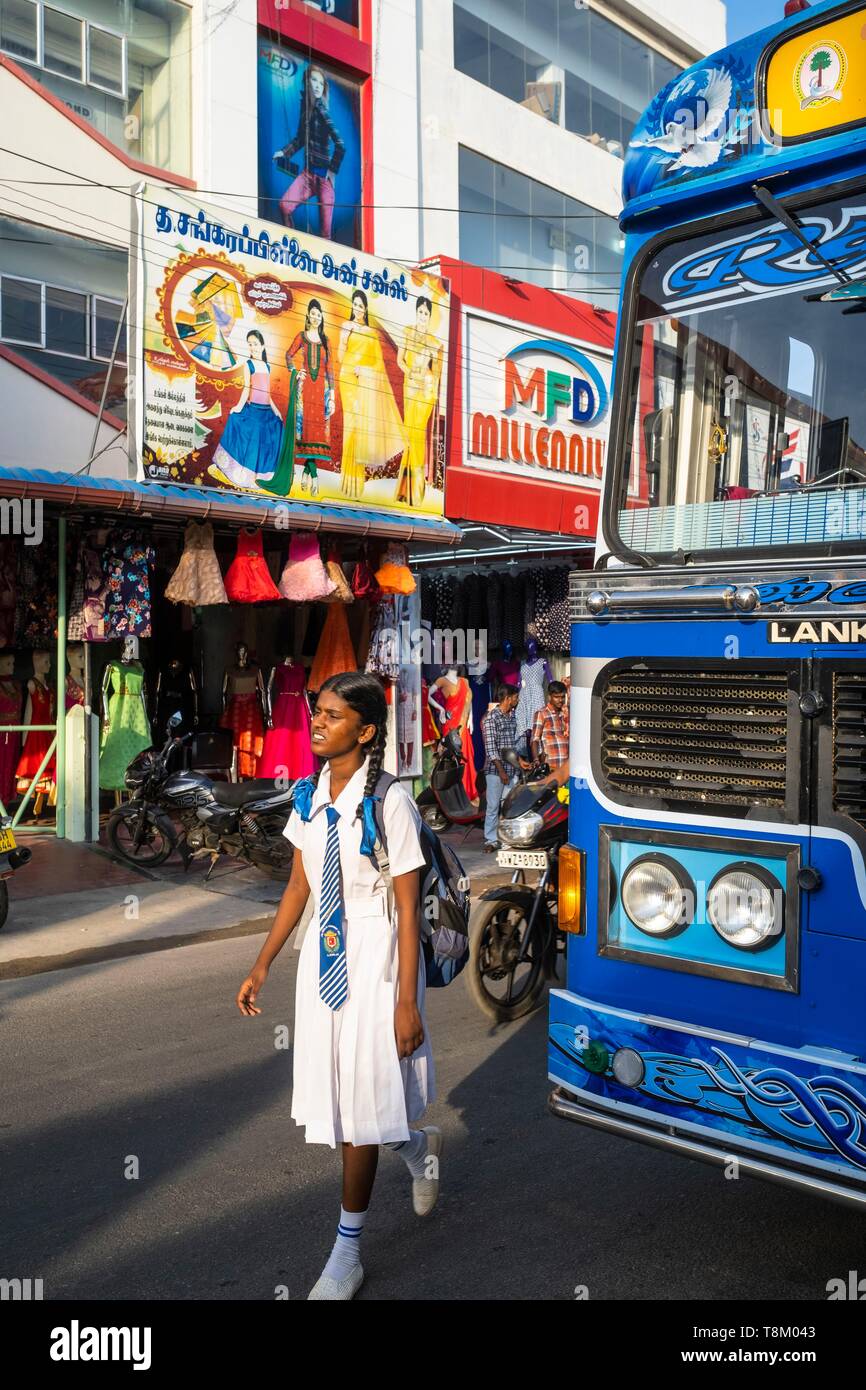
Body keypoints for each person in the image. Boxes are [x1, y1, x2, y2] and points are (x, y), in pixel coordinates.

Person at [236, 671, 442, 1301]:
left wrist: (407, 1001)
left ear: (367, 730)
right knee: (346, 1095)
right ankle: (413, 1142)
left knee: (359, 1107)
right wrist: (263, 961)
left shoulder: (391, 802)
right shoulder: (307, 795)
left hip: (378, 959)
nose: (318, 723)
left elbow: (409, 909)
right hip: (323, 960)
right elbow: (299, 886)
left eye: (331, 715)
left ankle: (346, 1252)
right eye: (316, 712)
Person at [337, 290, 406, 500]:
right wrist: (344, 339)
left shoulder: (372, 333)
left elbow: (378, 363)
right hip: (348, 380)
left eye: (360, 305)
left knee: (361, 429)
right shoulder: (345, 327)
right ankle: (346, 480)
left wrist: (365, 371)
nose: (357, 308)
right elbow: (341, 357)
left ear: (365, 308)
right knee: (351, 428)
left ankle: (358, 483)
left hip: (364, 381)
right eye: (354, 304)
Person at [264, 299, 334, 498]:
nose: (315, 317)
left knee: (317, 436)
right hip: (304, 391)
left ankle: (306, 472)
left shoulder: (326, 341)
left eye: (318, 314)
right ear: (308, 316)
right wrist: (295, 371)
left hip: (322, 392)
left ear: (322, 318)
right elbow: (288, 355)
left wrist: (333, 397)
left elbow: (330, 369)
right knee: (306, 434)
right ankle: (314, 477)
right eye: (312, 313)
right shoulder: (301, 337)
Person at [274, 64, 345, 239]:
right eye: (313, 80)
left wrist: (332, 171)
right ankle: (291, 243)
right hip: (307, 176)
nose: (317, 85)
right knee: (284, 206)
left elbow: (340, 144)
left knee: (325, 235)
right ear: (306, 82)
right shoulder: (305, 110)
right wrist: (284, 153)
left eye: (321, 83)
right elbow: (300, 138)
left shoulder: (322, 111)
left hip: (324, 181)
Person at [209, 330, 283, 489]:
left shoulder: (267, 366)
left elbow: (267, 393)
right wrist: (238, 407)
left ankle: (265, 475)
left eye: (255, 344)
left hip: (267, 412)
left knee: (274, 433)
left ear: (262, 346)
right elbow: (246, 388)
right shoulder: (248, 365)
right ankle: (242, 472)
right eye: (250, 345)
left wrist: (276, 410)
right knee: (245, 430)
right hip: (253, 410)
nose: (253, 347)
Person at [394, 296, 442, 507]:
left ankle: (416, 491)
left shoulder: (435, 343)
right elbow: (400, 360)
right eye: (420, 312)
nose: (423, 316)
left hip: (425, 392)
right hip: (410, 388)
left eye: (426, 313)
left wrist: (431, 390)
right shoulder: (407, 332)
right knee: (409, 435)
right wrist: (410, 374)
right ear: (416, 313)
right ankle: (406, 488)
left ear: (430, 317)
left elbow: (437, 373)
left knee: (418, 435)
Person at [481, 684, 520, 853]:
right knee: (493, 806)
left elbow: (513, 745)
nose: (517, 700)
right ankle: (491, 840)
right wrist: (501, 771)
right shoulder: (491, 718)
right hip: (496, 771)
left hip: (511, 769)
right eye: (515, 697)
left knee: (508, 806)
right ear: (507, 698)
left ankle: (505, 839)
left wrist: (519, 762)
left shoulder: (512, 717)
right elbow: (491, 748)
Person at [530, 680, 569, 773]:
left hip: (565, 767)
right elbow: (534, 739)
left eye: (562, 697)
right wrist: (536, 760)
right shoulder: (542, 713)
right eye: (556, 697)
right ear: (549, 697)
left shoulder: (565, 713)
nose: (560, 700)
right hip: (550, 767)